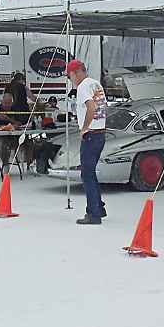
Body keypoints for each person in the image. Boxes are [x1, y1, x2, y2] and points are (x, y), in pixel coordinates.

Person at [66, 60, 107, 225]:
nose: (71, 81)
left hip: (91, 135)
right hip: (101, 132)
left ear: (75, 73)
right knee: (91, 174)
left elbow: (91, 108)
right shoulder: (96, 84)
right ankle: (99, 207)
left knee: (87, 175)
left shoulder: (82, 88)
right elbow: (105, 107)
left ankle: (93, 213)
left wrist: (84, 127)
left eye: (70, 77)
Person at [0, 93, 36, 176]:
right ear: (1, 102)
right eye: (5, 103)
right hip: (0, 136)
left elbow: (19, 123)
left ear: (12, 102)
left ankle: (29, 166)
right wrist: (4, 126)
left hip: (15, 136)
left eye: (9, 103)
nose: (7, 105)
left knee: (29, 143)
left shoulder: (15, 109)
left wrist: (9, 120)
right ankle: (6, 165)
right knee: (5, 145)